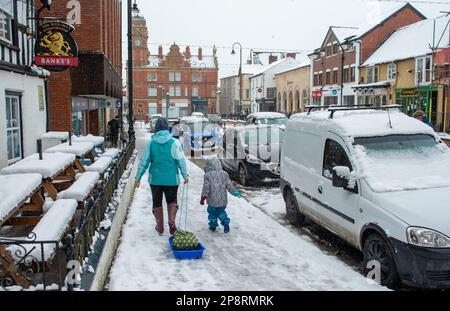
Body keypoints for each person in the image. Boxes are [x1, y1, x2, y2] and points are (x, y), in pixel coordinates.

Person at [135, 118, 189, 235]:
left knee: (157, 202)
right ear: (167, 129)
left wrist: (138, 178)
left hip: (155, 179)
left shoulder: (151, 143)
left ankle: (159, 226)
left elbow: (144, 161)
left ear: (156, 129)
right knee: (171, 200)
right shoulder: (175, 143)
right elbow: (181, 161)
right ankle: (172, 221)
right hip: (171, 179)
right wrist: (185, 175)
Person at [200, 158, 241, 233]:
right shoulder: (224, 174)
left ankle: (213, 225)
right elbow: (229, 185)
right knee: (221, 211)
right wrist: (235, 192)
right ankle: (225, 221)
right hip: (223, 200)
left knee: (212, 212)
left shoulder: (207, 175)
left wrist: (203, 198)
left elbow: (206, 188)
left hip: (212, 201)